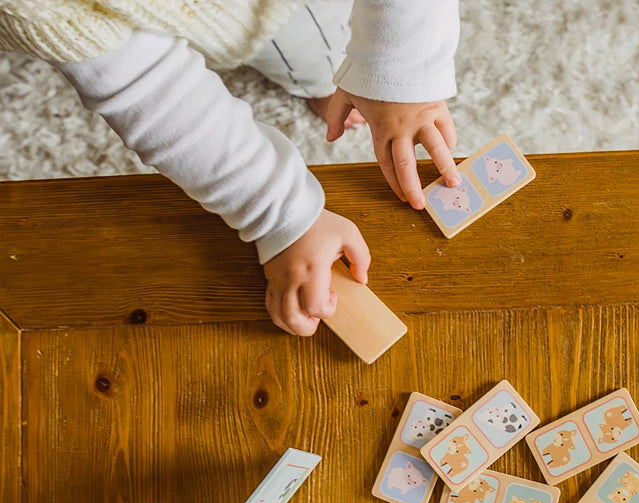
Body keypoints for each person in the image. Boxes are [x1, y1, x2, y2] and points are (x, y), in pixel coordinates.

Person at [0, 1, 461, 336]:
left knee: (323, 50)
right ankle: (317, 74)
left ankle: (324, 75)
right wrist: (280, 212)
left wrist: (399, 74)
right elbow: (148, 91)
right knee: (303, 54)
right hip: (131, 18)